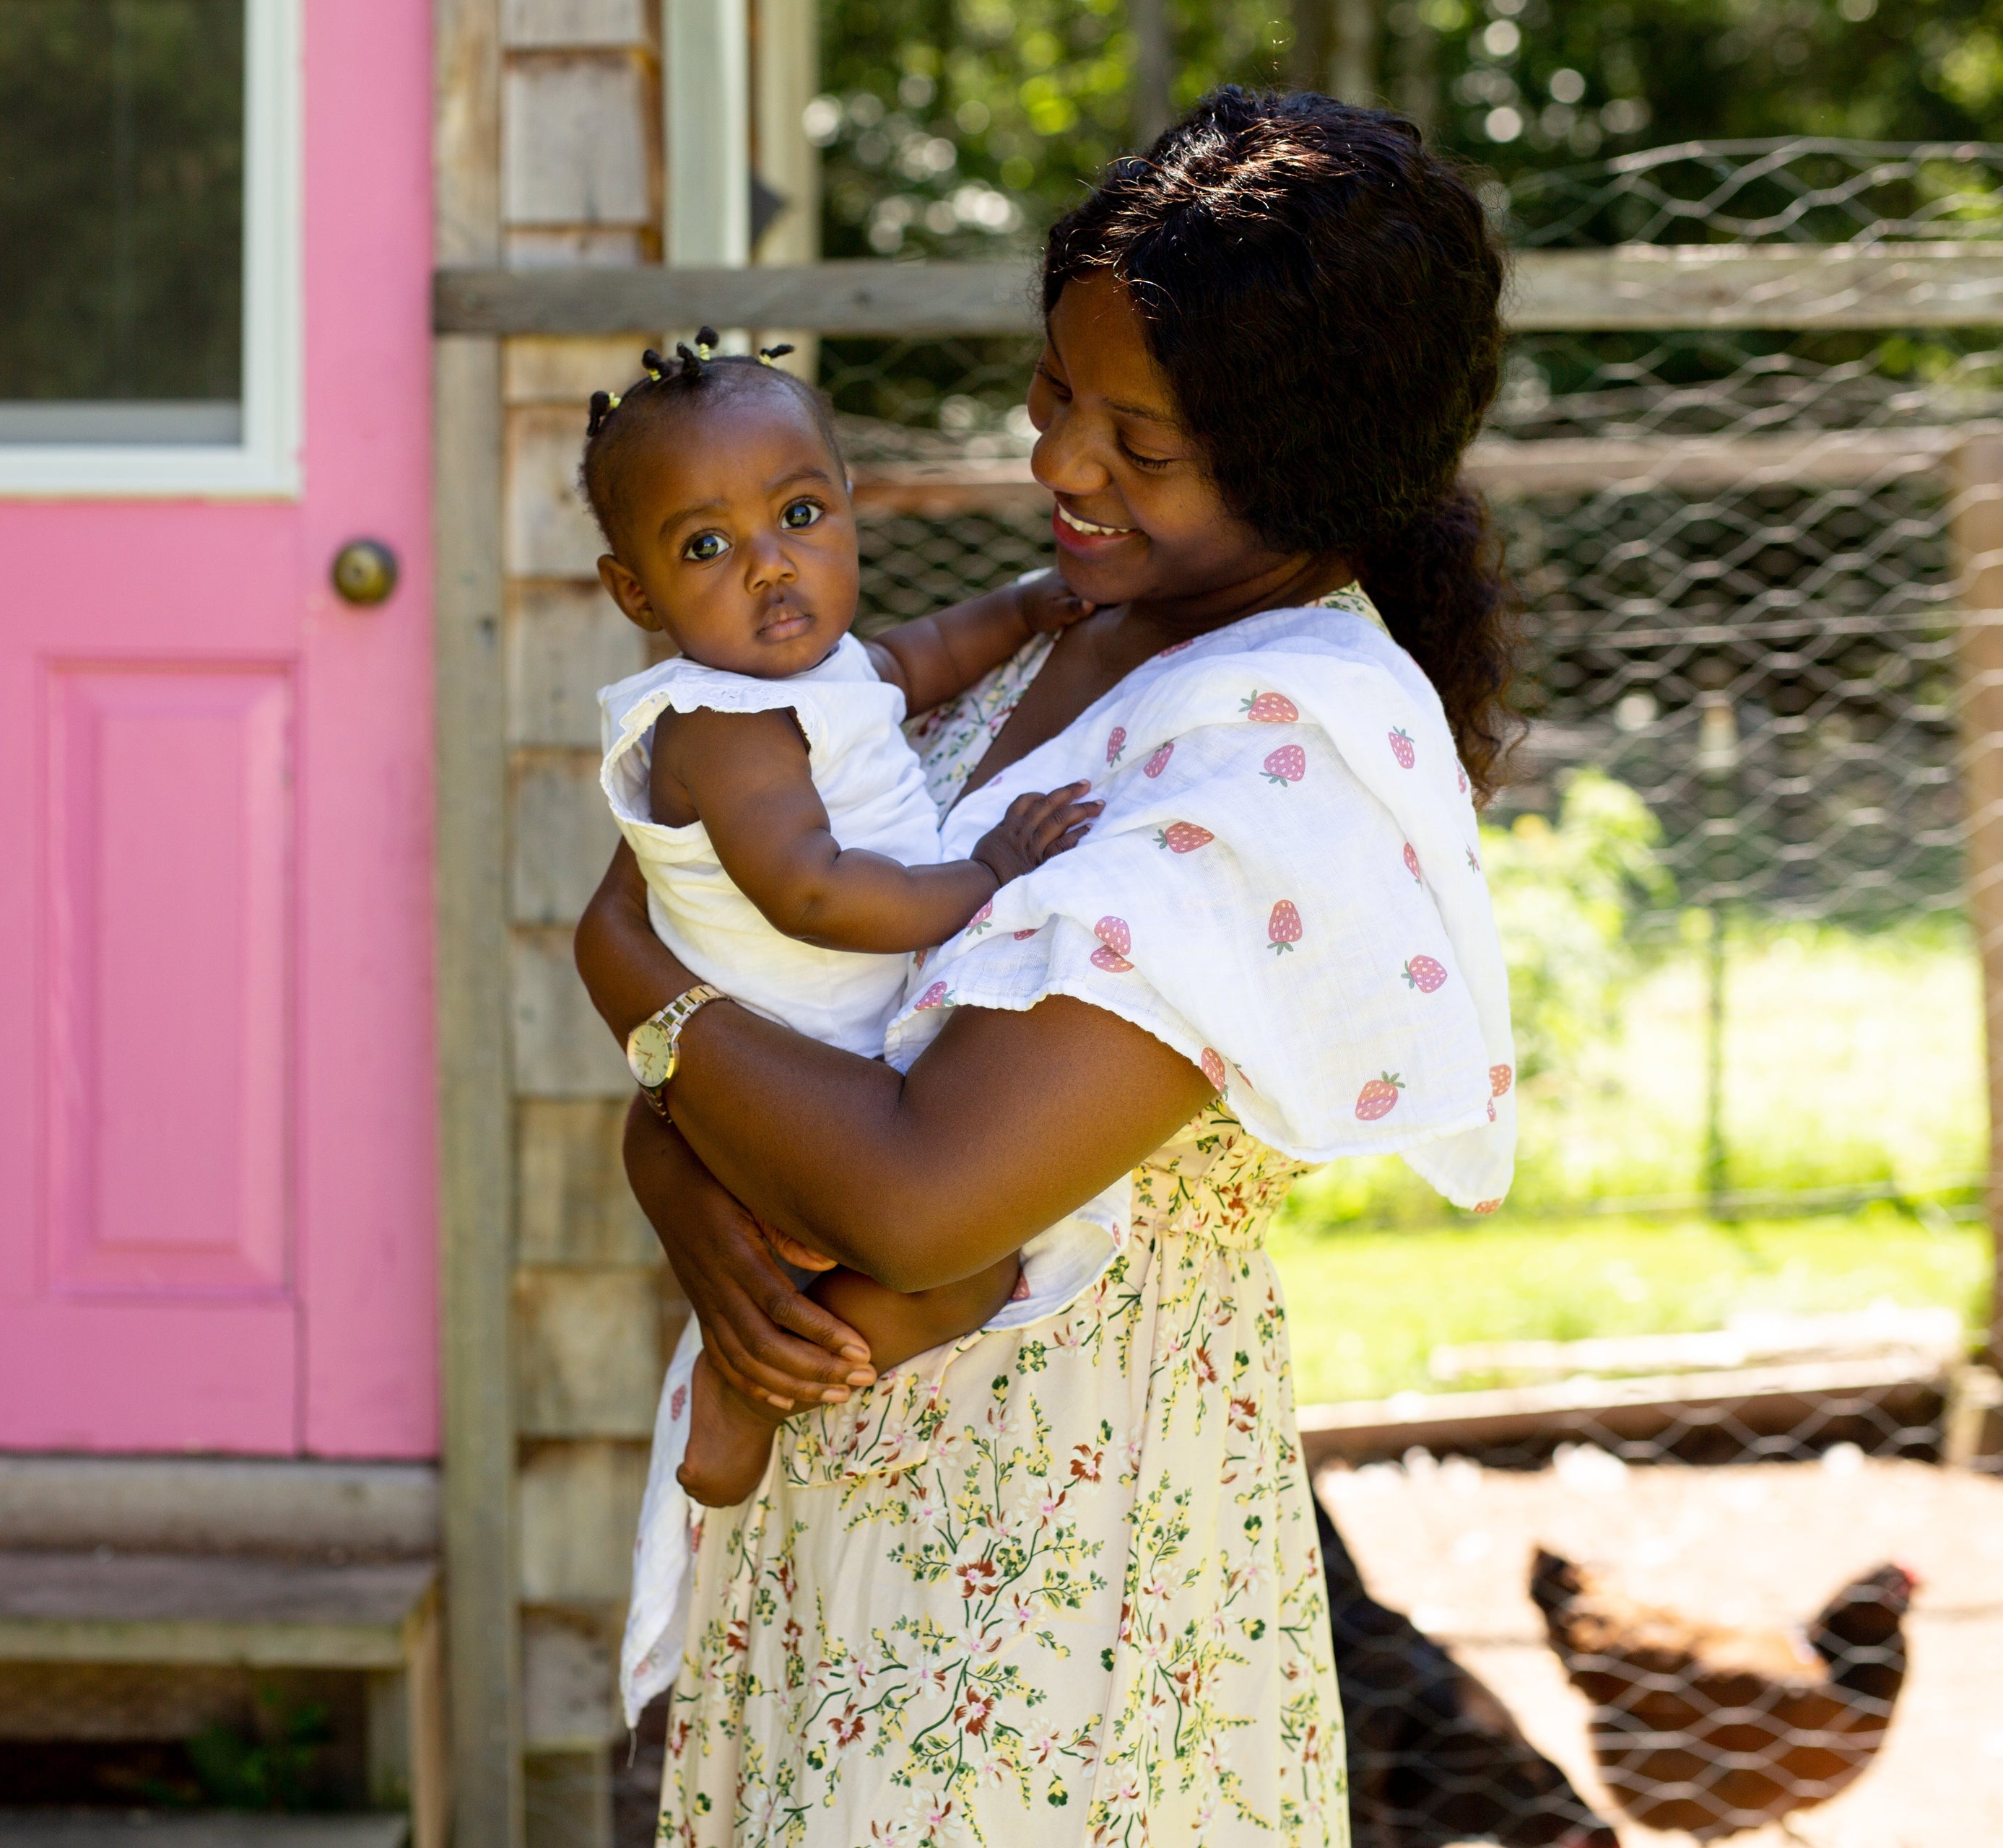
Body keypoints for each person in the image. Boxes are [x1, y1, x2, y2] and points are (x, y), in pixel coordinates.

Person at [579, 88, 1518, 1845]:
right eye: (1054, 392)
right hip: (854, 1517)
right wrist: (682, 1176)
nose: (1061, 465)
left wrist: (634, 986)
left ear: (1305, 463)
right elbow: (770, 973)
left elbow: (917, 1192)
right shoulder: (1073, 630)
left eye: (1136, 442)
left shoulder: (1283, 749)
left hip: (1050, 1603)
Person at [579, 330, 1112, 1511]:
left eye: (800, 515)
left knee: (968, 1265)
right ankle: (749, 1385)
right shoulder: (719, 725)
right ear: (637, 592)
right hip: (792, 1086)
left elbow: (923, 657)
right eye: (707, 546)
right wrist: (986, 874)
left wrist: (1026, 608)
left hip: (830, 1071)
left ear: (849, 507)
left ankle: (773, 1354)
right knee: (956, 1271)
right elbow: (810, 892)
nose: (770, 566)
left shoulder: (823, 675)